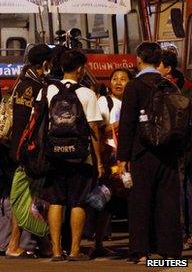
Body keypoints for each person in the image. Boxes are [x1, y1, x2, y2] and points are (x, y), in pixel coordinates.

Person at [118, 42, 183, 262]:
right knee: (168, 201)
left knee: (140, 201)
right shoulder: (170, 86)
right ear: (159, 61)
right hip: (168, 152)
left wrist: (123, 157)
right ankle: (170, 251)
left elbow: (127, 124)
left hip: (142, 151)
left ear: (138, 59)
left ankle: (142, 251)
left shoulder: (134, 86)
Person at [36, 49, 103, 262]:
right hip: (81, 157)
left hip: (53, 155)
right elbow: (93, 129)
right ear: (81, 68)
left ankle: (56, 251)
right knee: (78, 202)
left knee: (55, 202)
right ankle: (74, 251)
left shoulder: (45, 91)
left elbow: (36, 124)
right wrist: (99, 161)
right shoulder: (87, 93)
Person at [0, 44, 52, 258]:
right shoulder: (32, 86)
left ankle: (41, 243)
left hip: (21, 150)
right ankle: (14, 244)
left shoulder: (25, 82)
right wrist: (23, 152)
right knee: (24, 198)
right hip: (27, 152)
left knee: (33, 198)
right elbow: (25, 123)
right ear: (45, 64)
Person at [89, 68, 133, 258]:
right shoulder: (104, 101)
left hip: (129, 158)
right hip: (110, 158)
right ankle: (97, 242)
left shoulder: (133, 102)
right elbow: (98, 130)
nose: (118, 82)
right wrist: (119, 125)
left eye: (123, 79)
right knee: (105, 201)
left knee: (132, 200)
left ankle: (137, 242)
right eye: (115, 78)